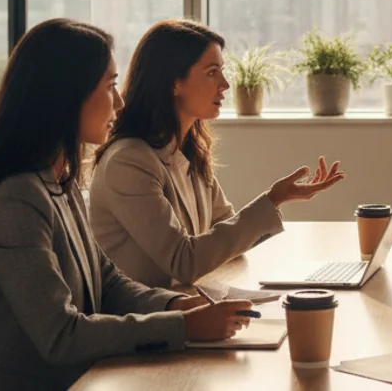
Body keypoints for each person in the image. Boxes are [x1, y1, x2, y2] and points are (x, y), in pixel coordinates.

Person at [0, 19, 252, 390]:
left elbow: (108, 282)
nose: (119, 101)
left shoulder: (59, 180)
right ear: (67, 96)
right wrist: (184, 327)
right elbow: (61, 334)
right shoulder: (17, 199)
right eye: (110, 86)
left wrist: (176, 306)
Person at [90, 19, 345, 288]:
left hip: (182, 304)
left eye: (222, 71)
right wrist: (272, 199)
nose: (224, 84)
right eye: (212, 72)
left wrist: (277, 202)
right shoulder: (128, 162)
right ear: (173, 83)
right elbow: (184, 262)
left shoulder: (189, 150)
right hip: (143, 318)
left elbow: (225, 232)